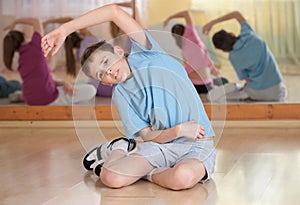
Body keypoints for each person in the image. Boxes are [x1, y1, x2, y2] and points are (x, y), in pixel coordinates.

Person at [42, 4, 217, 190]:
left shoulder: (148, 52)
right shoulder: (121, 95)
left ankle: (145, 172)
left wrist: (64, 30)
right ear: (106, 83)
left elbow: (114, 12)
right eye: (101, 74)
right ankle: (120, 148)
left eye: (106, 61)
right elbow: (148, 135)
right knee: (110, 177)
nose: (108, 71)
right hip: (161, 145)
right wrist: (178, 130)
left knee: (182, 178)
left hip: (197, 144)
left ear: (118, 51)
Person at [3, 17, 96, 105]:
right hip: (49, 99)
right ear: (25, 36)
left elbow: (43, 79)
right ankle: (20, 95)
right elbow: (36, 21)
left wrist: (63, 83)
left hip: (30, 99)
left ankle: (21, 95)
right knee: (91, 90)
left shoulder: (21, 61)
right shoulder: (35, 46)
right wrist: (16, 22)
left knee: (70, 83)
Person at [202, 11, 287, 102]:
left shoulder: (233, 57)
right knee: (282, 91)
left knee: (244, 91)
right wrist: (211, 23)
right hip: (277, 93)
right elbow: (236, 14)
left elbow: (247, 78)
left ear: (224, 50)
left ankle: (234, 91)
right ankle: (239, 90)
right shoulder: (248, 34)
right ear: (232, 34)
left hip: (256, 93)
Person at [44, 17, 114, 97]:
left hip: (97, 87)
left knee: (78, 85)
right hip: (108, 87)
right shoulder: (90, 39)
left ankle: (52, 91)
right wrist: (48, 21)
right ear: (80, 35)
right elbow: (70, 20)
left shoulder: (78, 55)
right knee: (82, 85)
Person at [163, 10, 228, 94]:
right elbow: (186, 13)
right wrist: (170, 17)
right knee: (224, 81)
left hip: (194, 86)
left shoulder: (183, 48)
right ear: (185, 29)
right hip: (206, 85)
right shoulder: (191, 34)